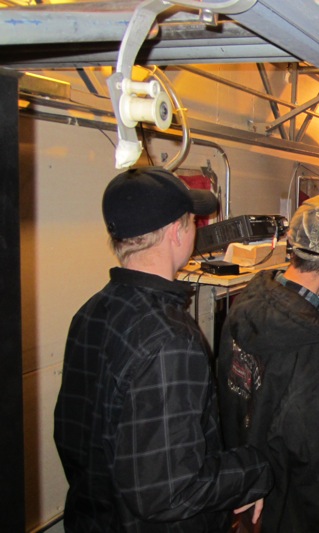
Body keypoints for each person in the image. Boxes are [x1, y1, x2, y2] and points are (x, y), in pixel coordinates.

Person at [53, 167, 271, 532]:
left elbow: (71, 438)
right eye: (192, 221)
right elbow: (171, 491)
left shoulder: (90, 312)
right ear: (176, 232)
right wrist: (254, 471)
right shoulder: (171, 340)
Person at [217, 188, 319, 533]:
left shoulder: (244, 305)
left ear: (291, 243)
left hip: (251, 492)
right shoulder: (318, 350)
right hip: (297, 512)